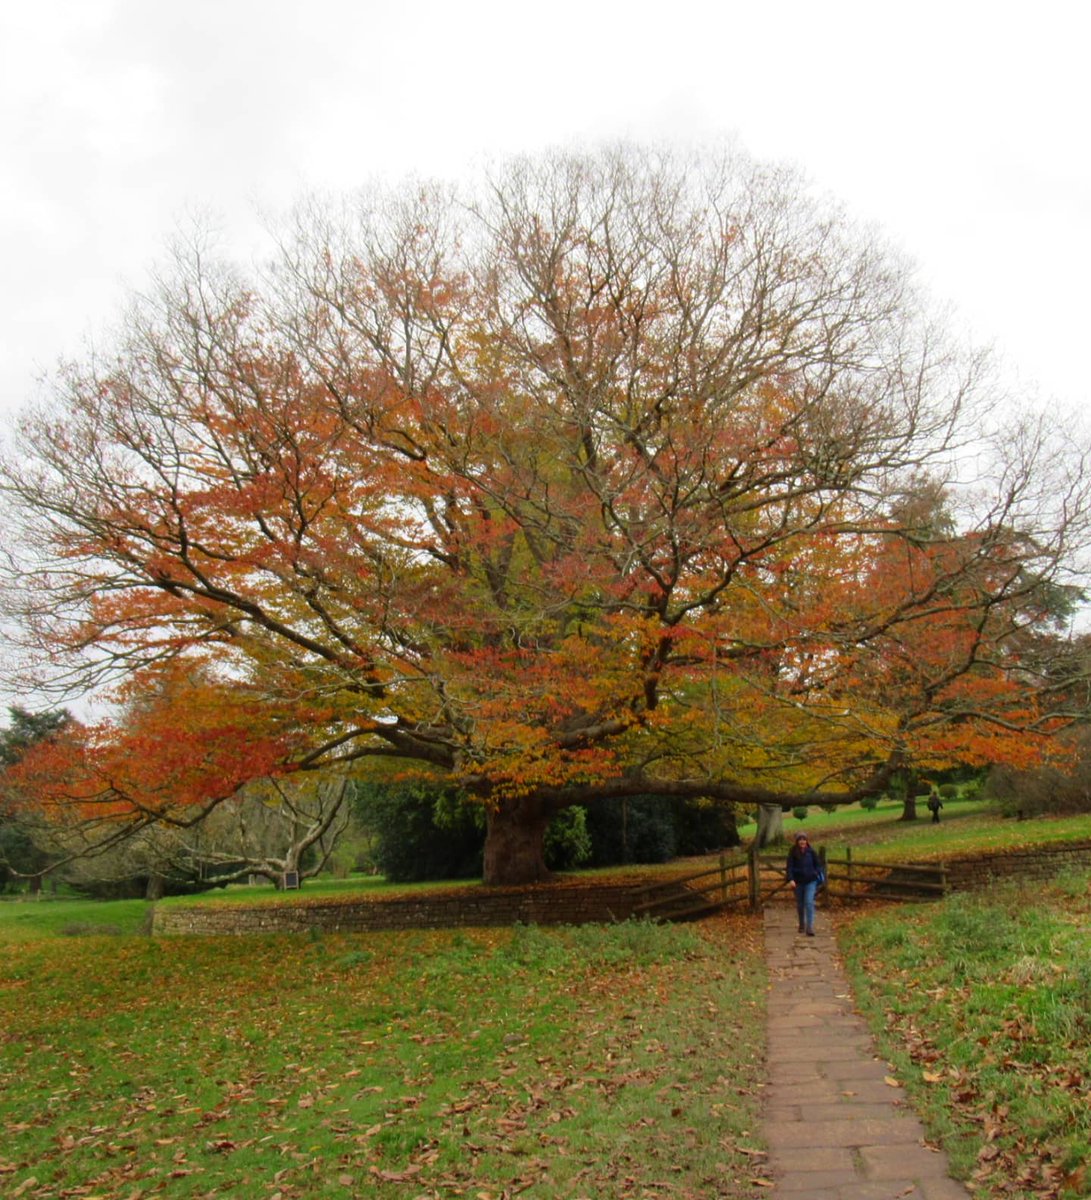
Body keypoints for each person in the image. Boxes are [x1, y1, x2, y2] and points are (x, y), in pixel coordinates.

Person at [785, 832, 824, 936]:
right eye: (800, 839)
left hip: (811, 881)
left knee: (809, 902)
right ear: (797, 841)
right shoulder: (793, 852)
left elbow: (819, 865)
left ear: (807, 841)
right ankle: (802, 923)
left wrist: (816, 873)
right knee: (800, 904)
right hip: (798, 882)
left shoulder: (811, 852)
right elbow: (789, 867)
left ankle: (809, 927)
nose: (802, 841)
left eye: (804, 839)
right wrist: (791, 879)